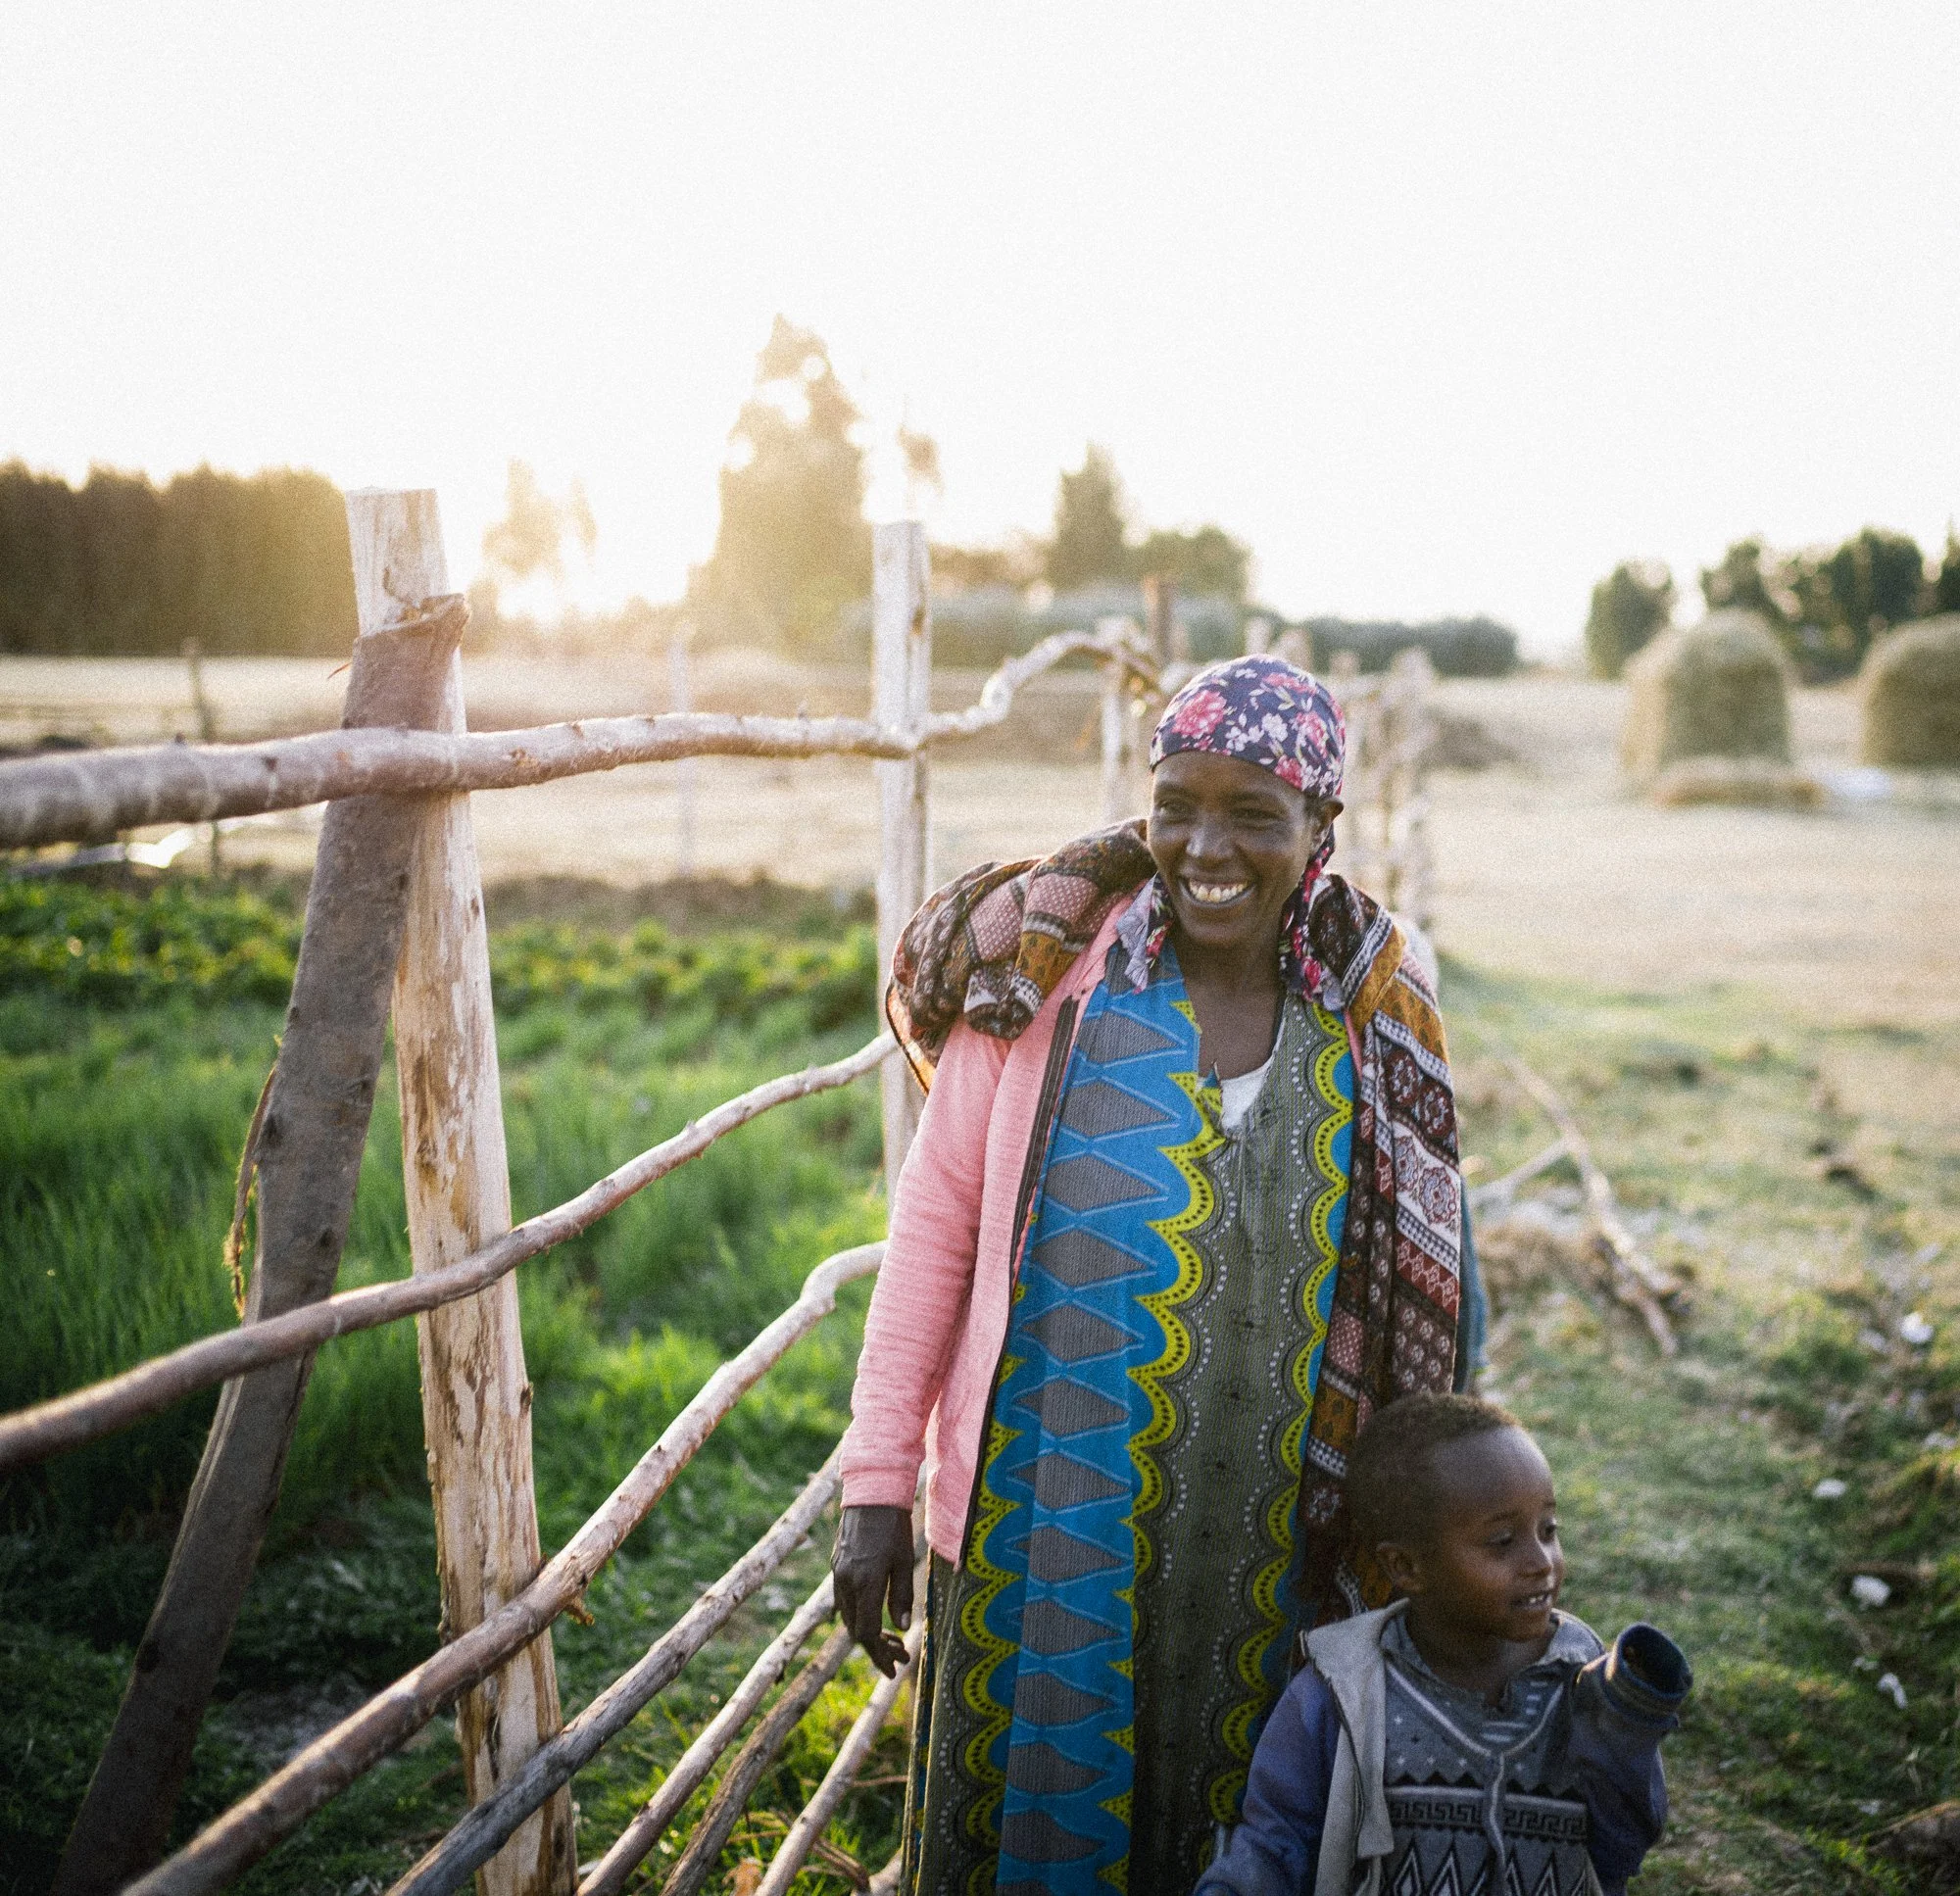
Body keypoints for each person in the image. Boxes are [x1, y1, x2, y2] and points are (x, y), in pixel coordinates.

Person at [832, 655, 1485, 1894]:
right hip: (1038, 1533)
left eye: (1254, 815)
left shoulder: (1368, 1010)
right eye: (1177, 802)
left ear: (1319, 830)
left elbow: (1426, 1279)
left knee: (1236, 1848)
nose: (1205, 846)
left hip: (1271, 1558)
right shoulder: (1043, 975)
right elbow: (934, 1232)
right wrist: (877, 1482)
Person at [1196, 1393, 1690, 1896]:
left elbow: (1622, 1849)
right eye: (1502, 1541)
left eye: (1548, 1529)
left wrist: (1628, 1730)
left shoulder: (1582, 1678)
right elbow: (1278, 1845)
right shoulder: (1343, 1690)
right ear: (1406, 1567)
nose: (1541, 1561)